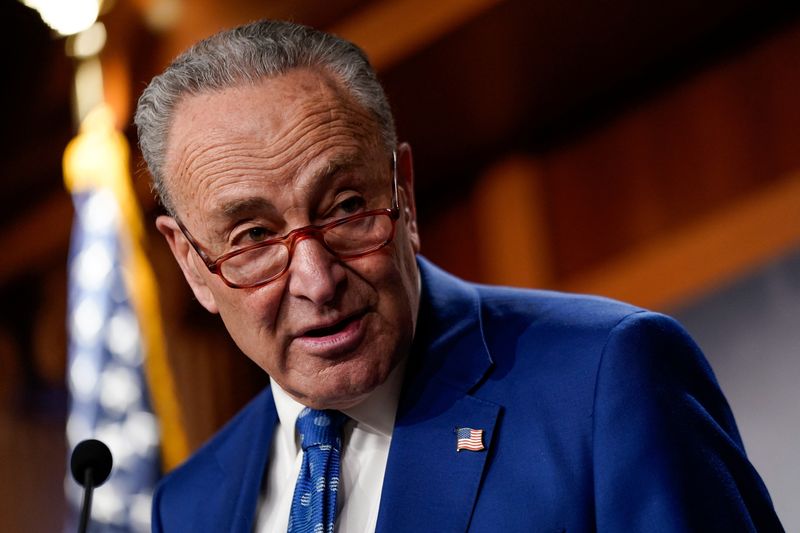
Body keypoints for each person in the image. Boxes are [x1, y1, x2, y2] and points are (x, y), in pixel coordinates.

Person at [134, 19, 783, 533]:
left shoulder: (606, 379)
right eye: (253, 237)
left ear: (405, 194)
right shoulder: (190, 506)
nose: (317, 278)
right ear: (192, 262)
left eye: (347, 207)